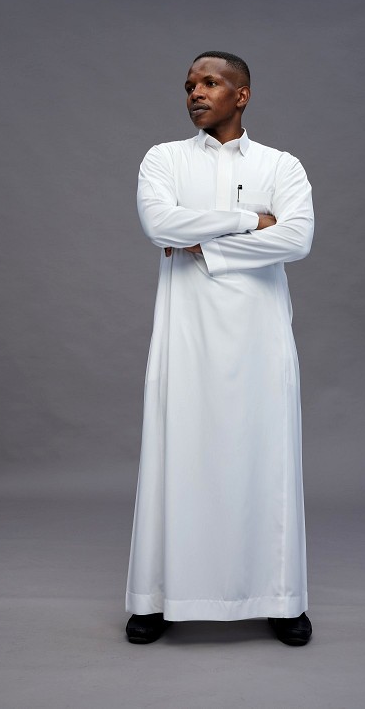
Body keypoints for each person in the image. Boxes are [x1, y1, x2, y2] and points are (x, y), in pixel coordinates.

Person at [125, 51, 314, 646]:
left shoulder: (281, 164)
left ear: (242, 94)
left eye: (210, 82)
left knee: (267, 456)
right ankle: (157, 597)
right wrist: (250, 221)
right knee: (176, 452)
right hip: (186, 332)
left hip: (260, 334)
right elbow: (159, 225)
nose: (196, 93)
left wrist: (206, 244)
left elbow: (298, 238)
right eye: (189, 85)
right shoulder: (164, 158)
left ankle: (280, 598)